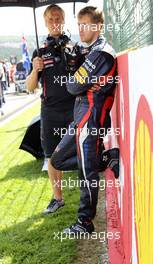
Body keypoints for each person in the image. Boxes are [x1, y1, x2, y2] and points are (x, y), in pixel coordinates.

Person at [50, 6, 119, 234]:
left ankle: (85, 222)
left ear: (97, 27)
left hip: (91, 120)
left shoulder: (102, 53)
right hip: (79, 119)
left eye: (86, 25)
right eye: (78, 25)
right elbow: (74, 76)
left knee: (86, 173)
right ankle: (107, 158)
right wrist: (73, 65)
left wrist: (75, 70)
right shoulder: (85, 49)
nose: (81, 30)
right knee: (57, 160)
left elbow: (72, 86)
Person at [26, 4, 75, 214]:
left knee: (82, 151)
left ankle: (87, 195)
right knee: (52, 156)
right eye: (51, 19)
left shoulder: (74, 46)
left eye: (58, 19)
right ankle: (58, 198)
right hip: (50, 110)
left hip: (75, 107)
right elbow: (30, 87)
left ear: (63, 21)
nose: (55, 23)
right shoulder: (39, 51)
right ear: (45, 23)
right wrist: (35, 70)